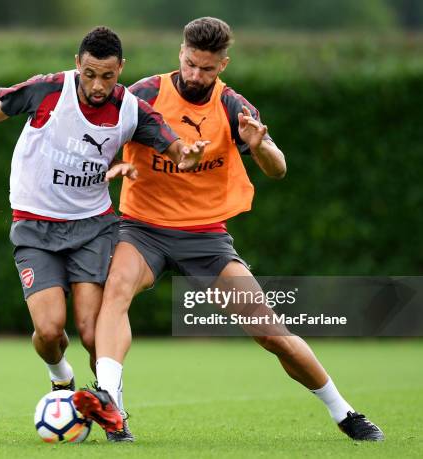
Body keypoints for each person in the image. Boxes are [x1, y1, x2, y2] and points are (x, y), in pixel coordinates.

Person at [73, 17, 384, 443]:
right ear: (180, 54)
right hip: (142, 228)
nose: (196, 75)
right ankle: (112, 404)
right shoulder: (143, 95)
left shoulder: (234, 107)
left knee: (270, 330)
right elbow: (101, 147)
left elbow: (278, 169)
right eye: (189, 63)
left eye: (207, 68)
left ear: (223, 64)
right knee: (117, 292)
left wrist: (259, 146)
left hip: (205, 237)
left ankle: (344, 412)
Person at [0, 27, 207, 404]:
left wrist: (187, 157)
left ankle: (113, 410)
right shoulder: (48, 89)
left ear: (120, 70)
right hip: (35, 224)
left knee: (94, 333)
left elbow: (175, 147)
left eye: (107, 76)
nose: (98, 85)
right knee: (48, 331)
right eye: (90, 74)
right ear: (78, 63)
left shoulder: (131, 109)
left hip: (93, 227)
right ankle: (61, 377)